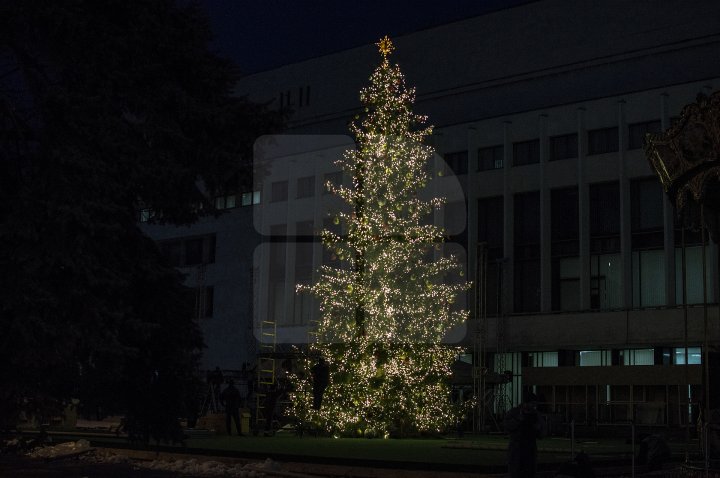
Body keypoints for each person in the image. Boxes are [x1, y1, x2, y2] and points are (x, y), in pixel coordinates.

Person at [504, 392, 544, 478]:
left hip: (530, 448)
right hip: (517, 448)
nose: (534, 406)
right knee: (516, 471)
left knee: (529, 472)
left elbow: (542, 434)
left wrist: (538, 429)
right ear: (526, 403)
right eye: (532, 404)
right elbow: (507, 427)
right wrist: (518, 420)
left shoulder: (536, 415)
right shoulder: (515, 412)